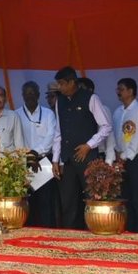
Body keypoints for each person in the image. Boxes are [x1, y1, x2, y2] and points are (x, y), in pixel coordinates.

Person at [51, 65, 113, 230]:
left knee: (91, 199)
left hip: (88, 158)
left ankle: (92, 232)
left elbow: (106, 126)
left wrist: (89, 145)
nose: (59, 87)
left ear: (72, 82)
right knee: (68, 202)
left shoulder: (91, 98)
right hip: (67, 159)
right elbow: (58, 131)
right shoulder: (59, 101)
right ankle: (71, 235)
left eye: (62, 84)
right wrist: (56, 159)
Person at [110, 78, 138, 232]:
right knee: (125, 195)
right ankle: (128, 228)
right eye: (118, 89)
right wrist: (116, 154)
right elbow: (115, 135)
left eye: (121, 89)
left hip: (136, 158)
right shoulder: (118, 112)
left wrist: (124, 156)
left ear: (131, 91)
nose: (118, 92)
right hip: (120, 158)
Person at [17, 80, 58, 228]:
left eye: (32, 93)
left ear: (38, 94)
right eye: (27, 93)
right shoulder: (16, 114)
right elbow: (17, 139)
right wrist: (28, 156)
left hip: (44, 161)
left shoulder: (48, 114)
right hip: (23, 162)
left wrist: (35, 153)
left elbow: (51, 136)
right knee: (26, 200)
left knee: (45, 200)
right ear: (22, 95)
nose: (30, 96)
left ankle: (47, 232)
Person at [0, 86, 23, 157]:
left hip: (7, 162)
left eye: (1, 95)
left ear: (5, 99)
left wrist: (21, 162)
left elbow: (19, 144)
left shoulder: (13, 116)